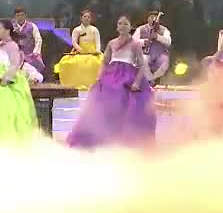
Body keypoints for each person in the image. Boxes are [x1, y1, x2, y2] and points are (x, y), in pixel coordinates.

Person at [67, 15, 156, 148]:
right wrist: (99, 77)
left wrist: (137, 82)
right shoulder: (112, 43)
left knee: (128, 101)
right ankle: (101, 136)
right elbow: (104, 62)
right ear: (117, 27)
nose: (122, 26)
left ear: (130, 27)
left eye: (125, 24)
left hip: (128, 74)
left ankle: (125, 138)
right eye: (120, 23)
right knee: (101, 101)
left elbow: (141, 65)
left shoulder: (135, 44)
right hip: (112, 74)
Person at [0, 19, 39, 147]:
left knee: (5, 112)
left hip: (7, 83)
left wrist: (5, 79)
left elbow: (15, 65)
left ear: (7, 30)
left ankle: (7, 143)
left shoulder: (12, 46)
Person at [55, 9, 104, 90]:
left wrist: (97, 50)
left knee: (98, 62)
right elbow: (74, 42)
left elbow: (98, 42)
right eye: (85, 16)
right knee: (69, 63)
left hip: (93, 53)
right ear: (81, 18)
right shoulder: (77, 29)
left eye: (88, 17)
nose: (86, 18)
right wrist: (80, 50)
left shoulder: (94, 30)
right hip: (80, 52)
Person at [133, 11, 172, 83]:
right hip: (145, 54)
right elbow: (133, 42)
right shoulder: (140, 29)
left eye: (156, 18)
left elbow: (168, 42)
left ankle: (153, 78)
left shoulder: (164, 30)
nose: (154, 19)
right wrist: (144, 42)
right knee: (144, 60)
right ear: (148, 19)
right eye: (152, 17)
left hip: (160, 54)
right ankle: (149, 79)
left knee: (164, 62)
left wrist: (158, 37)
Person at [13, 6, 46, 74]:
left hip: (31, 56)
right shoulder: (11, 28)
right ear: (15, 16)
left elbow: (38, 40)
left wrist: (35, 53)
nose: (20, 17)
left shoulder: (32, 26)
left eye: (22, 15)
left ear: (25, 15)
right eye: (18, 15)